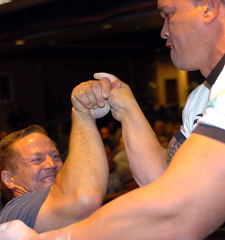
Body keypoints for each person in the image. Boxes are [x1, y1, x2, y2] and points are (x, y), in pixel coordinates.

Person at [1, 0, 225, 239]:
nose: (163, 31)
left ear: (209, 7)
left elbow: (177, 211)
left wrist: (51, 238)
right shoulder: (200, 97)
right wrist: (127, 108)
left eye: (168, 15)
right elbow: (163, 179)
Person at [0, 96, 109, 232]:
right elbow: (85, 198)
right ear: (9, 179)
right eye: (36, 160)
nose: (51, 164)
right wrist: (82, 114)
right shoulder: (15, 214)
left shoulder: (55, 204)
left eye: (55, 156)